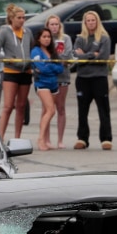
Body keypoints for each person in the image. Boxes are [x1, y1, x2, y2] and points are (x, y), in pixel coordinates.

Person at [0, 4, 34, 141]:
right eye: (19, 18)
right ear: (12, 19)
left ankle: (17, 137)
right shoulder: (4, 32)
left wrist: (30, 61)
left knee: (21, 105)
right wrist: (8, 59)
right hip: (11, 71)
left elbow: (32, 48)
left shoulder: (27, 32)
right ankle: (0, 137)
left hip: (26, 71)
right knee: (8, 105)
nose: (22, 20)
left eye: (23, 17)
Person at [72, 10, 112, 150]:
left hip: (99, 78)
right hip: (83, 78)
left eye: (93, 20)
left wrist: (85, 56)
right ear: (84, 22)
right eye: (88, 20)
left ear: (97, 21)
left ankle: (106, 138)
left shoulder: (104, 38)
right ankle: (82, 138)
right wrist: (91, 55)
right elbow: (76, 58)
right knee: (82, 110)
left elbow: (103, 58)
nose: (90, 23)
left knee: (103, 109)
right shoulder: (79, 39)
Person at [30, 28, 64, 151]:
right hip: (42, 83)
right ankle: (40, 139)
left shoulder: (52, 51)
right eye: (44, 36)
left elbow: (60, 69)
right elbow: (41, 68)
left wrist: (49, 66)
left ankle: (45, 140)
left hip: (54, 84)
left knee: (46, 112)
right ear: (39, 38)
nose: (47, 39)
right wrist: (51, 67)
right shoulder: (35, 51)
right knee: (51, 110)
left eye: (48, 37)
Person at [46, 14, 72, 149]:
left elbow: (68, 55)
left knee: (60, 108)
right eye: (52, 24)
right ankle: (47, 139)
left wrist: (56, 58)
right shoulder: (45, 39)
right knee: (48, 109)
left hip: (63, 76)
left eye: (56, 24)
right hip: (47, 77)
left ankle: (60, 140)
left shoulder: (65, 38)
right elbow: (43, 55)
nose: (54, 27)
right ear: (47, 26)